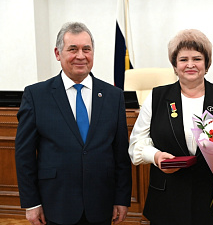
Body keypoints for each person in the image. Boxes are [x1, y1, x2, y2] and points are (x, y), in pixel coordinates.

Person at [129, 29, 213, 225]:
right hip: (167, 201)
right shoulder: (156, 98)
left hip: (212, 197)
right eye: (183, 59)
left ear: (206, 64)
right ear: (174, 64)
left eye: (197, 58)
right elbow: (136, 143)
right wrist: (155, 156)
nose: (190, 65)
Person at [15, 22, 132, 225]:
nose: (81, 56)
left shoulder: (114, 96)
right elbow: (24, 154)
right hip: (56, 203)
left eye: (86, 49)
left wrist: (122, 198)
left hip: (102, 203)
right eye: (73, 49)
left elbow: (121, 153)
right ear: (58, 53)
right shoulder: (36, 95)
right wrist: (31, 203)